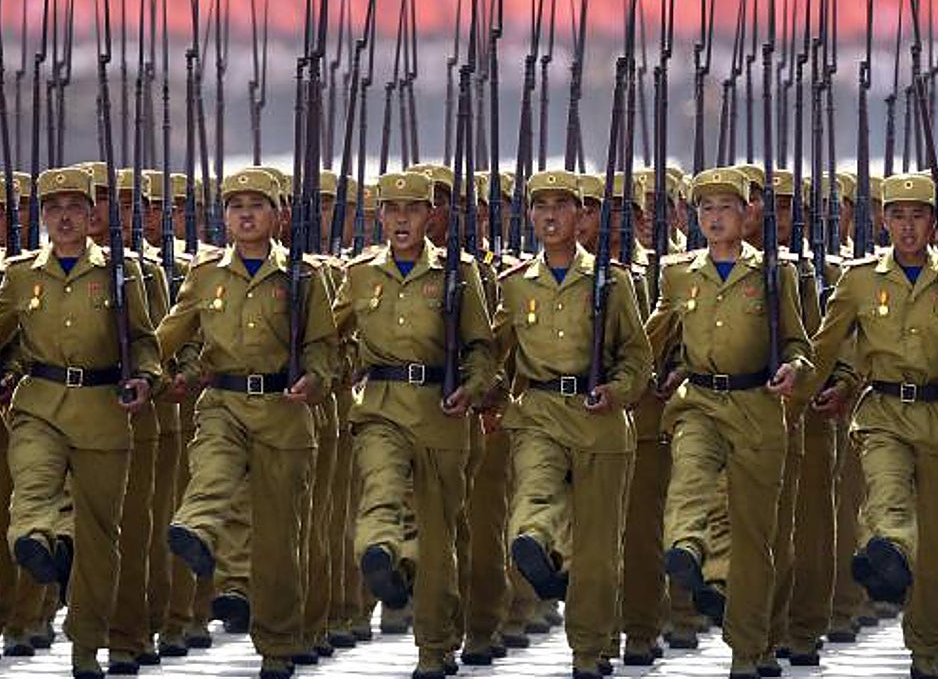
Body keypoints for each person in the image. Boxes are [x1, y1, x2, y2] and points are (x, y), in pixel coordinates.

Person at [805, 172, 938, 679]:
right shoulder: (860, 279)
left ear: (934, 223)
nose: (907, 226)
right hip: (884, 413)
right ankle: (887, 547)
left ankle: (929, 648)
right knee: (888, 492)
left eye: (918, 216)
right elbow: (825, 345)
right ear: (883, 221)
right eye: (897, 216)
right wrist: (798, 386)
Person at [158, 167, 337, 679]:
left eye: (257, 205)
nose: (246, 215)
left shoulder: (303, 276)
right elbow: (170, 333)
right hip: (224, 402)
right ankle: (195, 532)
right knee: (212, 474)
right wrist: (146, 372)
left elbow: (324, 346)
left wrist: (315, 380)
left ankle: (278, 645)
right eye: (236, 206)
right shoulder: (206, 273)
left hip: (283, 412)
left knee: (279, 541)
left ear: (279, 215)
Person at [0, 166, 161, 679]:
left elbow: (144, 339)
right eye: (53, 209)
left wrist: (145, 378)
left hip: (103, 411)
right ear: (42, 217)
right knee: (31, 486)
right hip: (38, 405)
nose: (64, 217)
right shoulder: (22, 274)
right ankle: (38, 540)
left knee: (100, 537)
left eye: (75, 208)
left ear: (91, 214)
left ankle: (86, 643)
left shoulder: (119, 272)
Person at [646, 167, 809, 679]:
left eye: (726, 208)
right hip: (698, 403)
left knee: (754, 539)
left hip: (756, 408)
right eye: (706, 209)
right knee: (689, 482)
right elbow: (654, 335)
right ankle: (688, 550)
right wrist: (639, 370)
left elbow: (799, 344)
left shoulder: (774, 273)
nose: (715, 218)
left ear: (747, 214)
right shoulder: (678, 274)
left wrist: (795, 369)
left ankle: (749, 647)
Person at [333, 170, 496, 679]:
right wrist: (328, 371)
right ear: (379, 216)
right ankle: (381, 554)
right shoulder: (360, 274)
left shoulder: (457, 272)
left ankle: (435, 645)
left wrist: (473, 387)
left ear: (431, 216)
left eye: (413, 210)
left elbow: (481, 345)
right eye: (392, 210)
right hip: (380, 407)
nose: (402, 220)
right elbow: (331, 337)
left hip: (440, 413)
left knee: (438, 536)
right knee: (381, 487)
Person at [495, 169, 651, 679]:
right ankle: (538, 547)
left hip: (598, 420)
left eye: (561, 206)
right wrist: (481, 392)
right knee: (532, 499)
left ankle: (590, 648)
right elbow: (494, 353)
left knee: (597, 550)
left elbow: (637, 357)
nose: (550, 216)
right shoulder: (515, 284)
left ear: (582, 216)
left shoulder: (613, 281)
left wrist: (618, 390)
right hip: (538, 414)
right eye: (541, 206)